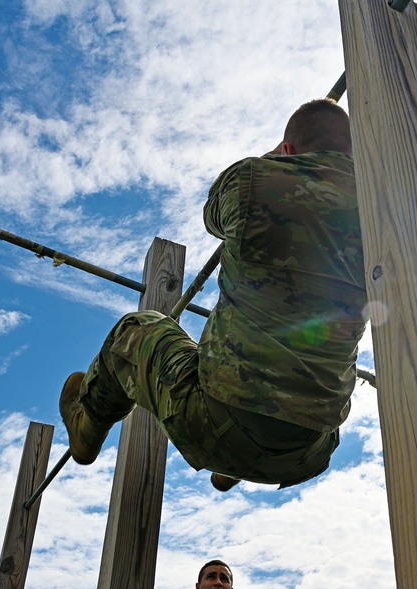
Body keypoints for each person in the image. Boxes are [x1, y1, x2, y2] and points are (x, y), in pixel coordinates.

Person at [59, 99, 365, 490]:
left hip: (210, 421)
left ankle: (86, 430)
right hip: (310, 451)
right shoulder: (385, 211)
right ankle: (232, 467)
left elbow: (212, 218)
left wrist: (272, 162)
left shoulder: (253, 178)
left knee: (137, 329)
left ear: (287, 150)